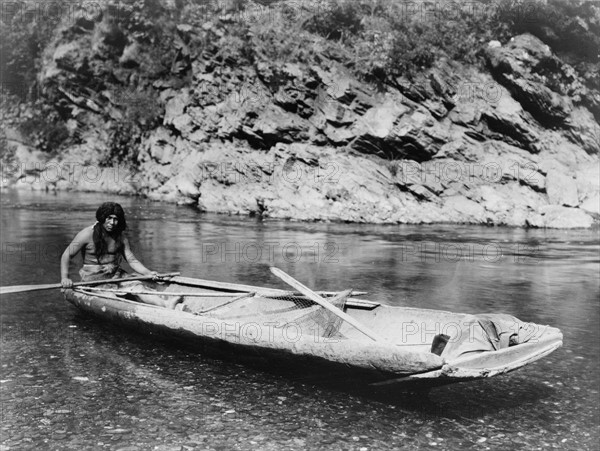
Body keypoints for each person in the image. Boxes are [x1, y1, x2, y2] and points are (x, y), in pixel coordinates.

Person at [60, 202, 182, 309]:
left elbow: (131, 259)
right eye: (109, 218)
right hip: (93, 279)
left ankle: (166, 304)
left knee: (138, 287)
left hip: (116, 276)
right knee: (110, 297)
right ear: (102, 217)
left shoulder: (121, 237)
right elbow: (66, 255)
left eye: (116, 219)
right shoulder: (86, 234)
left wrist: (148, 273)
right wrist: (65, 278)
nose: (112, 223)